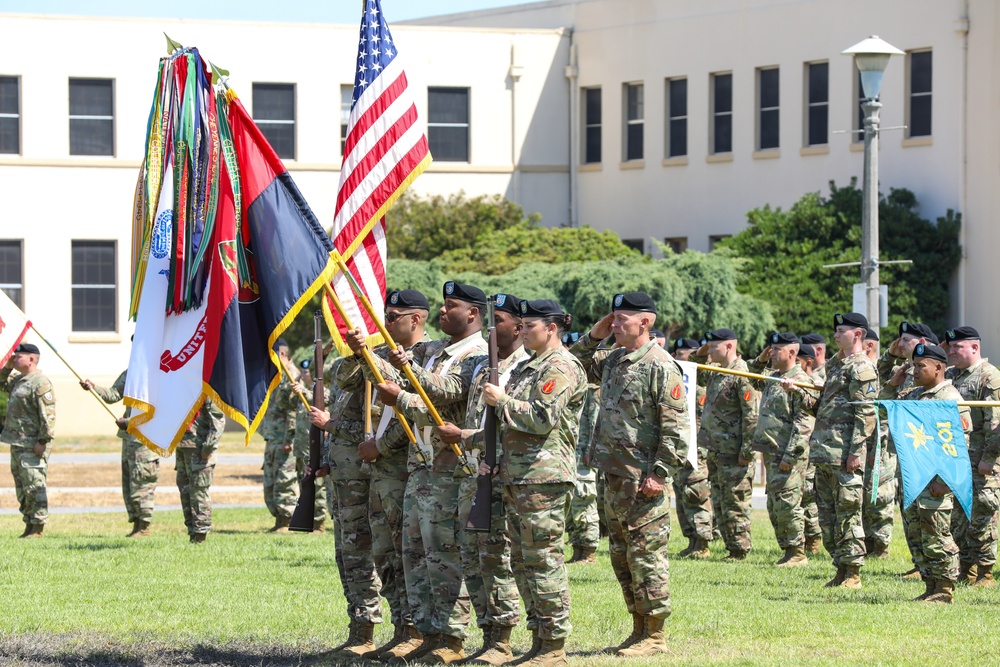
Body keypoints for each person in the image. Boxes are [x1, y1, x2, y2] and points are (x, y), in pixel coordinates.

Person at [369, 281, 489, 664]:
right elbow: (402, 374)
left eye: (451, 306)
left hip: (450, 470)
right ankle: (427, 630)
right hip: (421, 466)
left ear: (472, 313)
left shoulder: (478, 354)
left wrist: (403, 387)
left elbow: (449, 391)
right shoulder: (435, 351)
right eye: (442, 304)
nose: (442, 311)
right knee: (415, 555)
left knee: (445, 554)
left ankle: (452, 638)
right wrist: (364, 353)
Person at [572, 292, 691, 658]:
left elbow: (676, 429)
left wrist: (660, 473)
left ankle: (655, 634)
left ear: (646, 322)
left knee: (647, 556)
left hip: (643, 480)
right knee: (621, 556)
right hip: (613, 475)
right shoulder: (613, 360)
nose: (616, 325)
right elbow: (573, 363)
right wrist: (595, 335)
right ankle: (638, 627)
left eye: (622, 319)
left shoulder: (660, 365)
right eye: (614, 318)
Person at [417, 292, 530, 665]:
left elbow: (521, 425)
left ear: (519, 325)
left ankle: (503, 639)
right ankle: (486, 636)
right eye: (493, 319)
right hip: (472, 473)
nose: (495, 327)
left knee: (497, 560)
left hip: (505, 475)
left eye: (501, 320)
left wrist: (466, 437)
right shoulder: (481, 364)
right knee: (473, 560)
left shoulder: (527, 367)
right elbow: (447, 391)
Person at [485, 298, 586, 667]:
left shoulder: (560, 366)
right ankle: (539, 639)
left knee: (543, 560)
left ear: (552, 328)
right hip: (519, 475)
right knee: (522, 561)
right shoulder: (532, 366)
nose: (523, 331)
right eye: (522, 325)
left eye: (530, 326)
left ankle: (554, 645)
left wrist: (502, 401)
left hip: (544, 479)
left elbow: (543, 418)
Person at [335, 289, 432, 660]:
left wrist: (383, 446)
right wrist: (360, 350)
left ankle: (413, 628)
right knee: (383, 553)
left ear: (415, 319)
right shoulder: (376, 353)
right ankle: (399, 626)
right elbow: (345, 379)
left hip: (405, 464)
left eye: (391, 317)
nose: (385, 323)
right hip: (376, 470)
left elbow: (417, 405)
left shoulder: (429, 355)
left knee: (407, 553)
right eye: (385, 317)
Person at [885, 343, 972, 604]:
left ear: (938, 368)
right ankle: (930, 585)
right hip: (914, 478)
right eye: (913, 366)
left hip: (935, 479)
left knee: (936, 534)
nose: (914, 371)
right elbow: (881, 408)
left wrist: (945, 481)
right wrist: (892, 384)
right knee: (917, 534)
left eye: (920, 366)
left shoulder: (950, 399)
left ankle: (944, 589)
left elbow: (960, 443)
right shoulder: (913, 395)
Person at [310, 357, 383, 658]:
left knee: (360, 555)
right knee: (346, 556)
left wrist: (330, 424)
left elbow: (372, 431)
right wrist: (327, 458)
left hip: (362, 480)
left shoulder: (373, 376)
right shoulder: (349, 380)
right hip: (343, 479)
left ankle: (367, 631)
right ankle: (357, 628)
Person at [803, 313, 878, 589]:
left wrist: (856, 451)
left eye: (841, 331)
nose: (835, 335)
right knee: (828, 517)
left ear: (858, 334)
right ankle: (841, 568)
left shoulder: (861, 368)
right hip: (824, 452)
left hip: (844, 454)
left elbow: (866, 413)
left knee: (848, 513)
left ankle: (854, 573)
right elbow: (823, 407)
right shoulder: (837, 365)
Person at [750, 333, 818, 566]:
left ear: (791, 353)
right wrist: (762, 357)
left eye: (777, 349)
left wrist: (791, 455)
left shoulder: (799, 381)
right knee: (775, 504)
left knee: (788, 503)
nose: (772, 353)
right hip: (771, 450)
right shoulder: (773, 377)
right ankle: (788, 549)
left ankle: (797, 552)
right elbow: (753, 377)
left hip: (788, 453)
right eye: (771, 349)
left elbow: (804, 423)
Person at [877, 321, 936, 576]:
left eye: (905, 340)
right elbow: (881, 381)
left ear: (922, 343)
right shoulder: (906, 370)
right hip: (906, 454)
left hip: (928, 455)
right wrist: (891, 355)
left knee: (933, 516)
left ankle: (942, 569)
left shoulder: (935, 369)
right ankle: (919, 562)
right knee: (909, 512)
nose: (899, 344)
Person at [944, 326, 1000, 587]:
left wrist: (989, 458)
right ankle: (965, 568)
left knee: (983, 515)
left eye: (957, 347)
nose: (951, 351)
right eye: (950, 347)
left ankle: (985, 572)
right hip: (956, 459)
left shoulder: (989, 377)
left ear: (975, 348)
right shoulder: (949, 376)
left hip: (981, 463)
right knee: (958, 517)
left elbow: (995, 424)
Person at [700, 328, 759, 560]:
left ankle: (740, 548)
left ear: (729, 347)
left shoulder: (741, 374)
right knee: (720, 499)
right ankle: (730, 545)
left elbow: (751, 416)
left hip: (734, 451)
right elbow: (693, 363)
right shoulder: (716, 371)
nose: (709, 351)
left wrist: (747, 451)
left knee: (736, 500)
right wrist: (707, 347)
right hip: (716, 449)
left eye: (714, 347)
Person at [81, 369, 161, 537]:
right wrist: (94, 388)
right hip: (129, 436)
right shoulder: (131, 372)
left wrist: (130, 421)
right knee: (129, 481)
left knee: (142, 480)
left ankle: (144, 526)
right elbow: (113, 394)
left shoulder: (159, 373)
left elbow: (159, 408)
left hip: (146, 437)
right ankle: (136, 523)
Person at [1, 342, 55, 538]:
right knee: (22, 488)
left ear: (31, 359)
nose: (14, 358)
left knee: (35, 485)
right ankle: (28, 524)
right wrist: (7, 367)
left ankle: (38, 527)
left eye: (18, 356)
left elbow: (48, 415)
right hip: (17, 442)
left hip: (33, 444)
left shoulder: (40, 382)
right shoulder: (18, 380)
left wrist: (43, 440)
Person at [671, 338, 714, 559]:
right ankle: (691, 538)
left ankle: (703, 542)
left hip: (697, 448)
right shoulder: (673, 381)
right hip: (679, 445)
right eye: (678, 355)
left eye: (686, 355)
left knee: (697, 492)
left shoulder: (702, 382)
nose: (681, 359)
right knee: (681, 493)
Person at [862, 327, 897, 558]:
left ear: (869, 346)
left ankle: (881, 546)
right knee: (865, 494)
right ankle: (867, 541)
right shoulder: (861, 370)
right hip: (863, 441)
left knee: (881, 493)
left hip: (882, 443)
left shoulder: (887, 371)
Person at [260, 339, 299, 532]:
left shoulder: (292, 376)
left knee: (285, 479)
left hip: (284, 438)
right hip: (273, 436)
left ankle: (287, 520)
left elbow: (293, 410)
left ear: (281, 354)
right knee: (271, 480)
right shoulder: (277, 376)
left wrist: (289, 439)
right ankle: (278, 519)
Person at [175, 397, 225, 543]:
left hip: (199, 450)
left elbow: (218, 420)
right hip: (183, 446)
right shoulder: (185, 389)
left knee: (199, 492)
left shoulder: (208, 391)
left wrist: (208, 446)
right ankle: (192, 533)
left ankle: (200, 535)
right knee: (185, 491)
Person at [794, 343, 823, 553]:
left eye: (798, 361)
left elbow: (808, 419)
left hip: (810, 445)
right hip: (800, 445)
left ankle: (813, 537)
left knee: (809, 494)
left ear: (808, 362)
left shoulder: (815, 384)